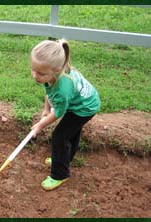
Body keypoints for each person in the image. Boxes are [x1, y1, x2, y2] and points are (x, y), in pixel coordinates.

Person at [30, 39, 100, 191]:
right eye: (33, 70)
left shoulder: (63, 89)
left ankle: (60, 174)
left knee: (59, 136)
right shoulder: (50, 74)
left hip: (83, 109)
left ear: (55, 69)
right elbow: (49, 92)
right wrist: (46, 109)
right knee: (69, 133)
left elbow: (59, 113)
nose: (35, 76)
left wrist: (40, 125)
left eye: (40, 73)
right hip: (82, 102)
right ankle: (63, 159)